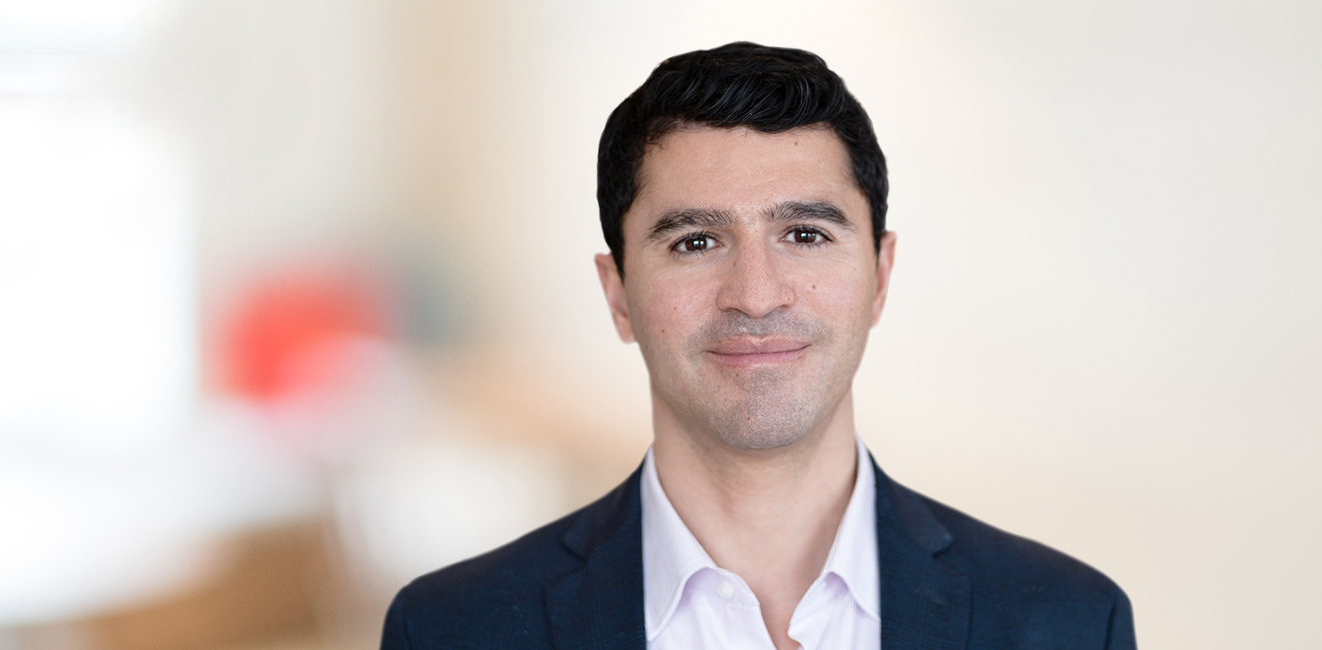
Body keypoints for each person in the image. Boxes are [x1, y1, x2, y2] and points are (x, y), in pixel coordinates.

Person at [379, 42, 1135, 649]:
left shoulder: (1067, 622)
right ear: (618, 295)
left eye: (804, 234)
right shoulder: (451, 630)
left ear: (879, 276)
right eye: (695, 241)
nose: (756, 294)